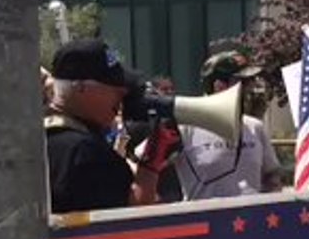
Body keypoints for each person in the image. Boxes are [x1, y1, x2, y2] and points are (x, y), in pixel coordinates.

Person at [45, 39, 168, 213]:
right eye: (113, 85)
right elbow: (135, 215)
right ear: (81, 88)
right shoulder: (86, 153)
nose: (123, 93)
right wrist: (153, 158)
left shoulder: (38, 136)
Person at [171, 51, 282, 200]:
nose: (250, 88)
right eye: (243, 82)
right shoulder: (186, 128)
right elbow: (144, 165)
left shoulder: (255, 127)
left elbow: (271, 175)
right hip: (206, 215)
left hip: (251, 214)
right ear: (219, 86)